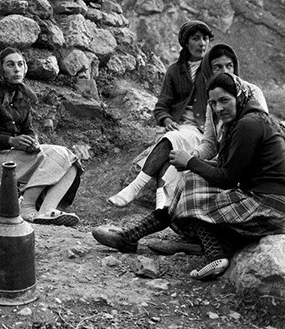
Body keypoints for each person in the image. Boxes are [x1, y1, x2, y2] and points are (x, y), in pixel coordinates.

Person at [93, 73, 285, 280]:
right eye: (213, 103)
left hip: (270, 207)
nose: (219, 108)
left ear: (239, 96)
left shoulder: (249, 125)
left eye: (224, 100)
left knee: (194, 191)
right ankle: (133, 237)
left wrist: (190, 162)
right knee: (193, 182)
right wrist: (192, 163)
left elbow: (226, 178)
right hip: (263, 200)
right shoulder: (248, 120)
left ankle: (214, 255)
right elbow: (228, 167)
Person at [0, 47, 82, 226]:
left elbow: (27, 130)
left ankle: (47, 210)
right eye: (10, 65)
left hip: (16, 156)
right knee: (58, 154)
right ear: (0, 70)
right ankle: (27, 206)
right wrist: (11, 141)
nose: (17, 69)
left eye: (20, 64)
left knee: (71, 162)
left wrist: (32, 142)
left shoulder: (22, 96)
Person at [108, 20, 213, 210]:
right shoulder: (174, 70)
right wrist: (167, 119)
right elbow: (161, 106)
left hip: (201, 130)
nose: (202, 43)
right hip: (178, 126)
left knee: (171, 139)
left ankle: (134, 187)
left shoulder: (212, 69)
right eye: (196, 38)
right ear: (186, 42)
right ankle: (161, 205)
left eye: (205, 39)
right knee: (170, 152)